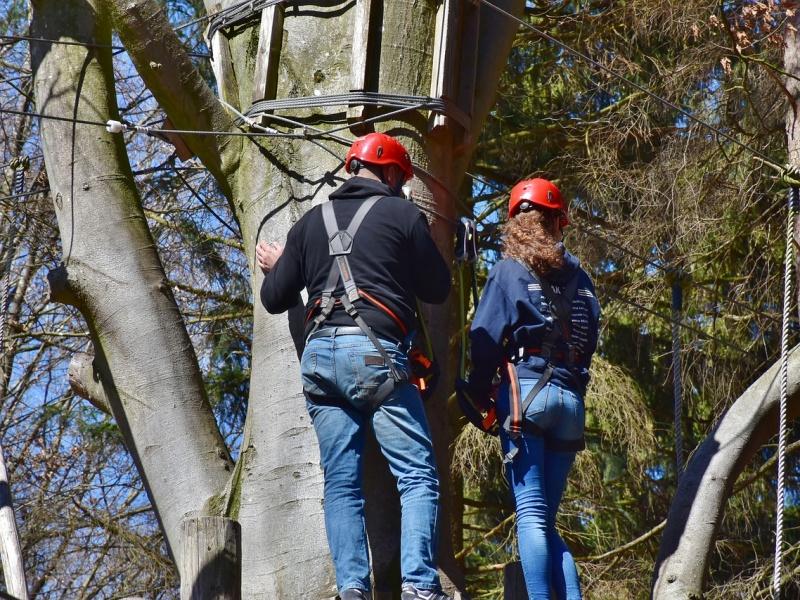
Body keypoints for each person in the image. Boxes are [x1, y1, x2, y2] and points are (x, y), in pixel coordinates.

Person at [258, 132, 452, 600]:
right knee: (418, 476)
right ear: (390, 173)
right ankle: (420, 585)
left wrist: (286, 264)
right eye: (400, 179)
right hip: (375, 354)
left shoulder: (309, 224)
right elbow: (438, 287)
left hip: (320, 359)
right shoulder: (404, 214)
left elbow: (273, 297)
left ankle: (351, 589)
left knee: (341, 483)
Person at [464, 178, 601, 600]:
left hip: (527, 398)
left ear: (515, 223)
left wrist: (478, 389)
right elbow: (590, 338)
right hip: (569, 401)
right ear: (558, 222)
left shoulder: (508, 272)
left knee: (532, 517)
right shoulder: (583, 282)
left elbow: (483, 335)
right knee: (545, 520)